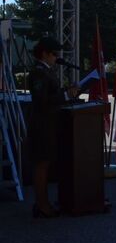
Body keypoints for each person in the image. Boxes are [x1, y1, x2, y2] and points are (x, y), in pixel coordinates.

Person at [26, 37, 78, 217]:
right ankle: (41, 204)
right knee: (42, 164)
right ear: (44, 54)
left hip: (49, 123)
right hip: (42, 125)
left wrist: (66, 93)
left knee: (46, 163)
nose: (56, 57)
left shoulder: (47, 71)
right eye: (54, 54)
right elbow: (41, 101)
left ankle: (45, 202)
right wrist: (65, 95)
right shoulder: (39, 73)